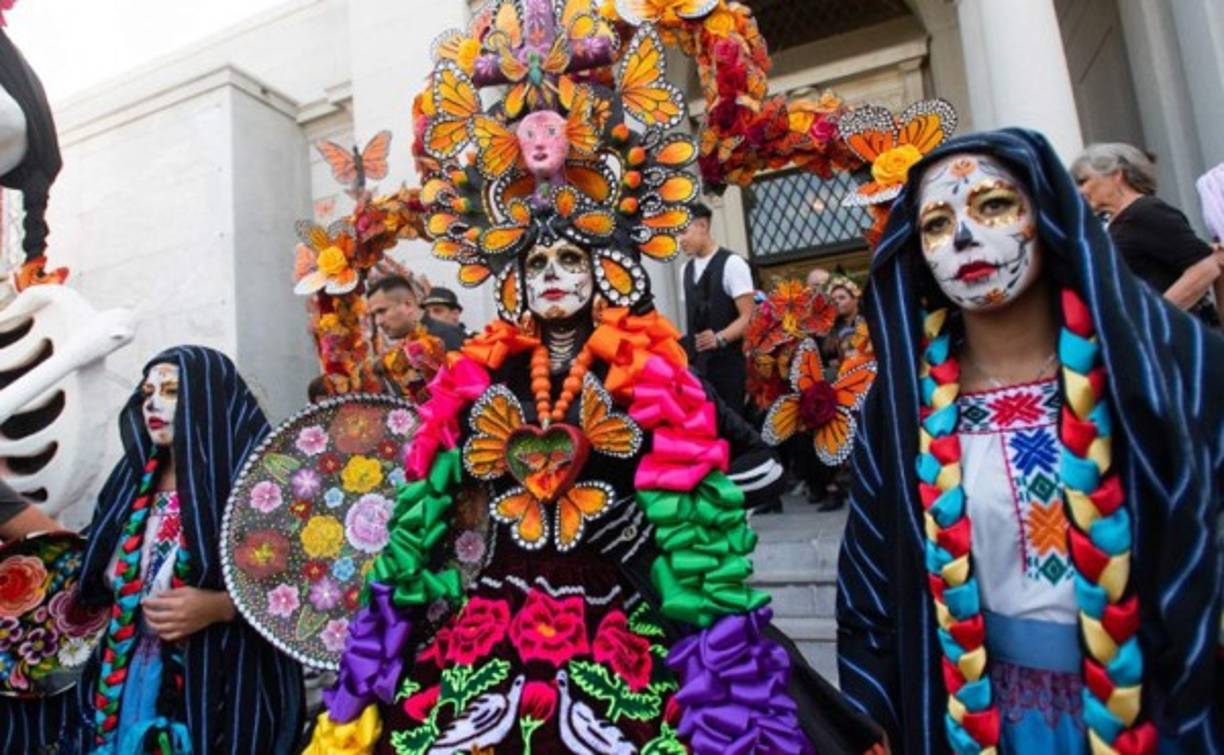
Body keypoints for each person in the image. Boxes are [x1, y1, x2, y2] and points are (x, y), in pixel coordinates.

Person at [304, 12, 881, 753]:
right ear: (515, 275)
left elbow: (755, 464)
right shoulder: (482, 370)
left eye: (570, 263)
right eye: (537, 266)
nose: (552, 279)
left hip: (628, 603)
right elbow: (431, 499)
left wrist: (649, 517)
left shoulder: (644, 365)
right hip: (497, 614)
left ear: (604, 269)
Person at [838, 129, 1222, 753]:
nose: (965, 237)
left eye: (992, 206)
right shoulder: (902, 407)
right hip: (980, 723)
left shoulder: (1159, 372)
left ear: (1049, 218)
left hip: (1157, 715)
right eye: (937, 223)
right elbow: (871, 585)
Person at [65, 346, 304, 754]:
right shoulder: (127, 483)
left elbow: (307, 588)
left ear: (208, 398)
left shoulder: (258, 487)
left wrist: (222, 606)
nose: (152, 404)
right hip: (122, 681)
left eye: (172, 390)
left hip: (223, 681)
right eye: (146, 393)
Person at [1072, 142, 1220, 324]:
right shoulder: (1114, 221)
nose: (1080, 191)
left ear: (1116, 175)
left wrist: (1155, 317)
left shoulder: (1147, 212)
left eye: (1084, 181)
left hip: (1180, 342)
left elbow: (1205, 268)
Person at [679, 202, 755, 415]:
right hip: (698, 372)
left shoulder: (733, 263)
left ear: (702, 226)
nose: (680, 240)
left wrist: (720, 338)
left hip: (729, 368)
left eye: (683, 232)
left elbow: (749, 317)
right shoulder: (685, 270)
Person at [368, 274, 466, 351]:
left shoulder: (446, 339)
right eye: (374, 315)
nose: (378, 322)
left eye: (382, 311)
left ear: (408, 305)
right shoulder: (408, 342)